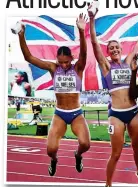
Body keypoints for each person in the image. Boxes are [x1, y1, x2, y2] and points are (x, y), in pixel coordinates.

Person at [88, 8, 138, 187]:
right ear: (108, 53)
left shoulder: (128, 61)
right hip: (116, 114)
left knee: (136, 147)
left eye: (117, 47)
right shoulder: (106, 66)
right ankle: (107, 186)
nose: (114, 50)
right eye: (111, 48)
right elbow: (94, 43)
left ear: (121, 49)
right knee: (115, 153)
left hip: (133, 112)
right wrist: (91, 19)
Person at [18, 13, 90, 176]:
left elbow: (84, 54)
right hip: (60, 113)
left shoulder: (77, 68)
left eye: (67, 61)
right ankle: (54, 160)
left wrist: (81, 31)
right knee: (51, 150)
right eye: (61, 61)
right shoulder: (53, 68)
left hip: (76, 113)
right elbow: (28, 57)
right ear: (57, 59)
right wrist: (21, 35)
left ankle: (77, 156)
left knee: (85, 144)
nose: (64, 65)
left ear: (71, 59)